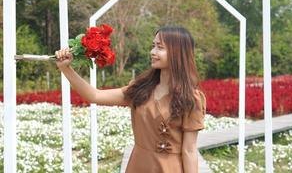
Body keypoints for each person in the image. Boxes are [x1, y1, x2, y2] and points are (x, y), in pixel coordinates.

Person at [55, 26, 206, 173]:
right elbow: (94, 96)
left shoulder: (191, 99)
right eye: (153, 46)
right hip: (138, 165)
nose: (152, 52)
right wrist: (66, 69)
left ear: (177, 53)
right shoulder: (140, 89)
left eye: (160, 47)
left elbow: (189, 151)